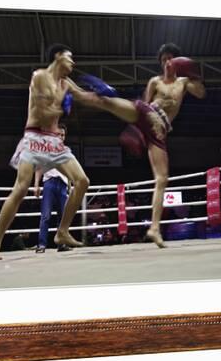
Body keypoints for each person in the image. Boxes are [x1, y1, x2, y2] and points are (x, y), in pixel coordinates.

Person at [68, 43, 206, 248]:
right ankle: (68, 86)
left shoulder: (184, 82)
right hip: (146, 114)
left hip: (160, 132)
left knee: (162, 179)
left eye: (170, 59)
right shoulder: (155, 81)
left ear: (176, 61)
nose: (166, 63)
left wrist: (192, 72)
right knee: (105, 102)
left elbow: (201, 93)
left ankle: (154, 228)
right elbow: (143, 104)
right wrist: (137, 130)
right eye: (163, 60)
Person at [0, 44, 89, 260]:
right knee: (20, 189)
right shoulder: (40, 77)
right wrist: (63, 107)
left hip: (54, 142)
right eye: (70, 58)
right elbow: (42, 113)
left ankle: (62, 232)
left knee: (82, 181)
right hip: (34, 138)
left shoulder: (66, 83)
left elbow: (87, 98)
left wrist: (109, 99)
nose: (73, 62)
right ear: (58, 57)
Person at [33, 124, 73, 253]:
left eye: (63, 135)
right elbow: (38, 168)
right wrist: (36, 185)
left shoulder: (67, 151)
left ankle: (61, 244)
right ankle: (41, 245)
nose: (61, 137)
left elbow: (71, 171)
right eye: (59, 134)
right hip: (49, 183)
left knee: (63, 217)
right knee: (46, 215)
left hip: (62, 184)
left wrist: (70, 186)